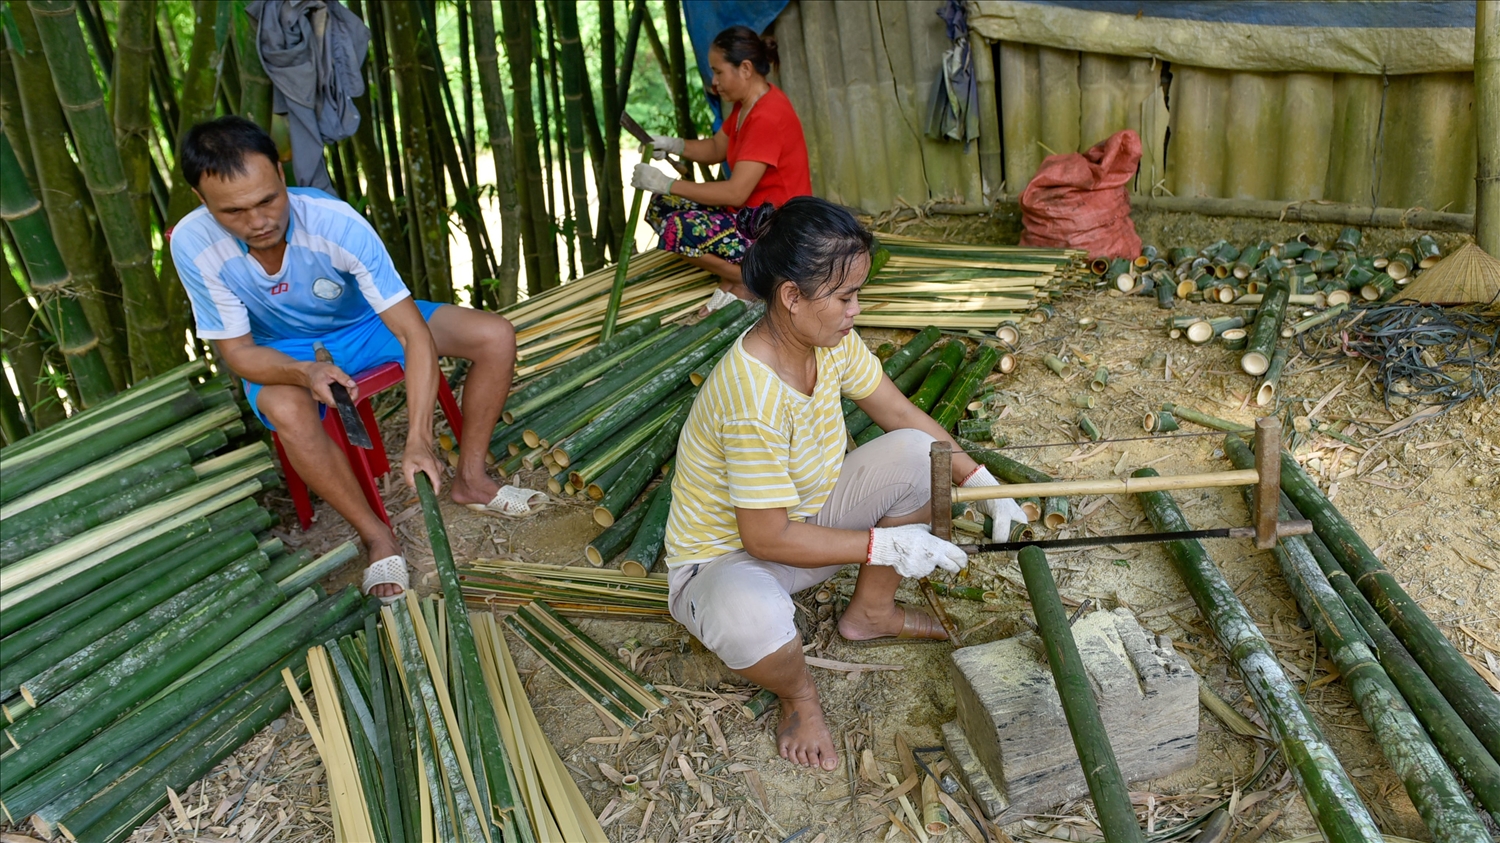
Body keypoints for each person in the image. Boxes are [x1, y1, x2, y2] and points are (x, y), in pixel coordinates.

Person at [663, 197, 1028, 771]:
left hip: (809, 529)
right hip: (724, 562)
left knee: (920, 455)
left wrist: (983, 483)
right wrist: (886, 545)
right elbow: (764, 538)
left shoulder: (825, 341)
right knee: (747, 617)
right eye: (845, 297)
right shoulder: (751, 398)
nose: (856, 310)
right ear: (792, 296)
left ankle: (871, 613)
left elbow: (899, 413)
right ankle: (798, 696)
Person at [169, 116, 521, 601]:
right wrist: (305, 371)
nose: (258, 221)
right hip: (282, 348)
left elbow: (411, 333)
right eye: (234, 211)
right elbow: (239, 353)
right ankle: (376, 536)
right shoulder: (193, 243)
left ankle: (472, 479)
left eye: (268, 200)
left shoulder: (334, 222)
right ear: (201, 199)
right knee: (286, 408)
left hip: (366, 323)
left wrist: (419, 439)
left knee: (495, 335)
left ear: (280, 171)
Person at [632, 25, 812, 312]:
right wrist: (674, 145)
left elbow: (735, 192)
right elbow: (717, 148)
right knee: (661, 205)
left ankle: (748, 279)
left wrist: (667, 183)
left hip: (775, 231)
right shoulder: (747, 105)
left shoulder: (767, 116)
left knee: (676, 228)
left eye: (718, 72)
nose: (714, 82)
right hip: (750, 215)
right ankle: (740, 273)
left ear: (745, 68)